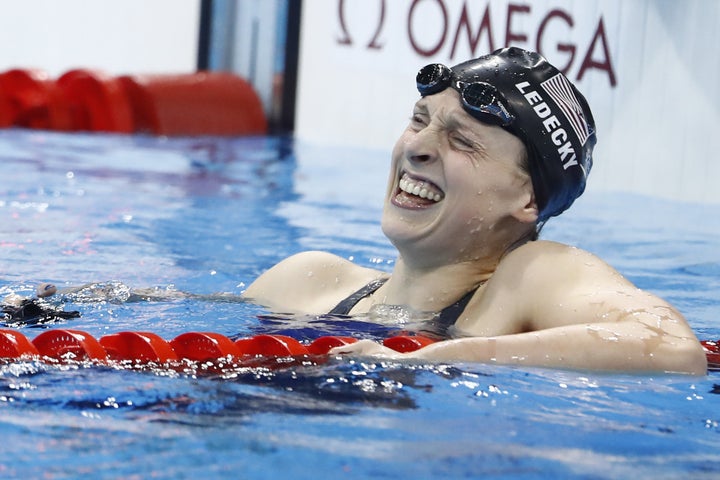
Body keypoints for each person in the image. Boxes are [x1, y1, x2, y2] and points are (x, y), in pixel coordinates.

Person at [243, 47, 707, 375]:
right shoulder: (307, 279)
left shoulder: (530, 278)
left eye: (462, 141)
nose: (417, 149)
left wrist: (434, 357)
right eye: (419, 120)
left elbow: (670, 348)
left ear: (529, 200)